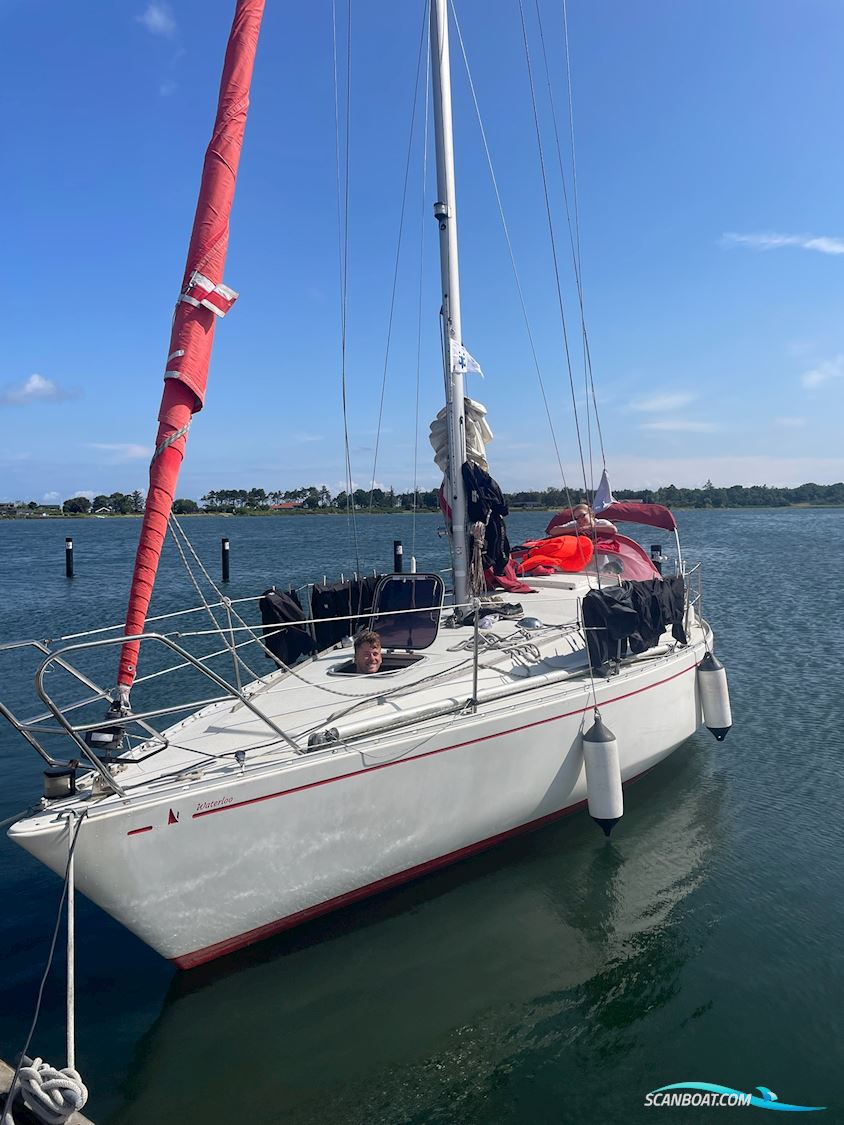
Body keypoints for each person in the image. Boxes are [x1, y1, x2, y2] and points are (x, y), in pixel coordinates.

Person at [549, 502, 617, 538]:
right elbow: (553, 531)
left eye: (582, 515)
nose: (580, 520)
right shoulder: (574, 524)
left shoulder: (601, 523)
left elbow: (613, 529)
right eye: (576, 518)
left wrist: (590, 528)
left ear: (591, 514)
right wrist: (575, 529)